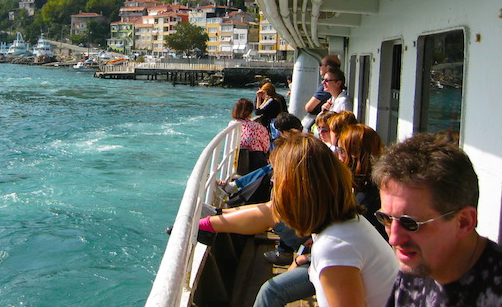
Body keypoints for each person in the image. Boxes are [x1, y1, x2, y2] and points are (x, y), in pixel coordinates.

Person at [202, 134, 398, 307]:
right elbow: (271, 212)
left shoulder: (334, 247)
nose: (273, 182)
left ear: (295, 189)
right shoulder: (345, 224)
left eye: (276, 177)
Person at [372, 133, 502, 306]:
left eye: (410, 223)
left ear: (464, 222)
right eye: (386, 219)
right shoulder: (415, 265)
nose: (394, 238)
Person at [230, 98, 270, 175]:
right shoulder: (258, 127)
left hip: (236, 157)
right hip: (256, 160)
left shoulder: (232, 125)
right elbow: (266, 146)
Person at [302, 55, 341, 130]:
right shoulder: (331, 85)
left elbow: (308, 107)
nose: (319, 67)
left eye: (321, 65)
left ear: (328, 67)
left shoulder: (327, 86)